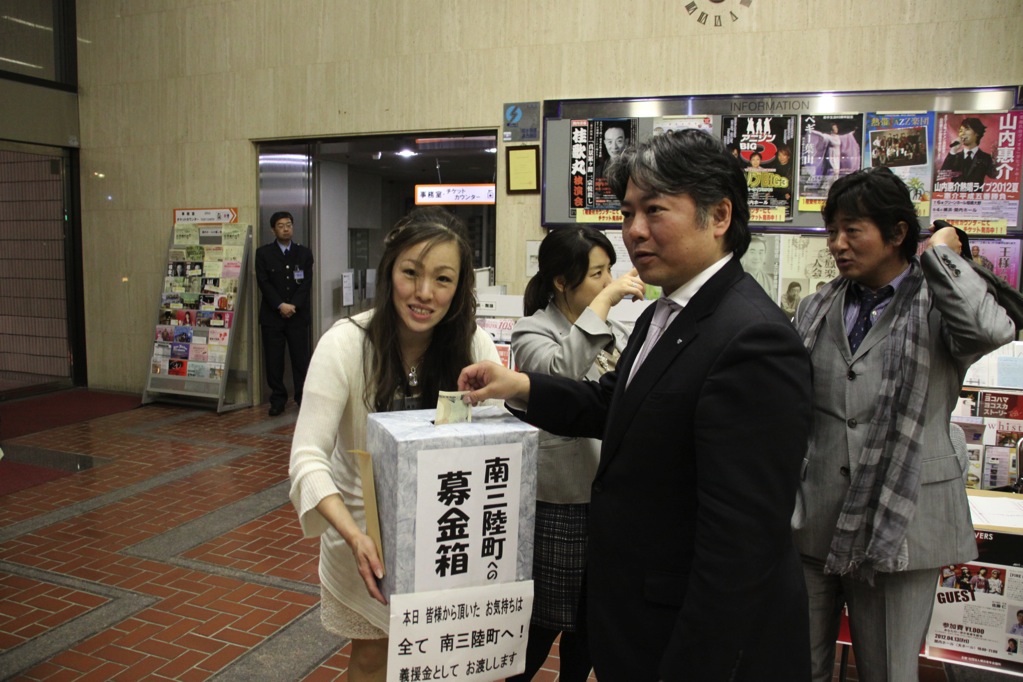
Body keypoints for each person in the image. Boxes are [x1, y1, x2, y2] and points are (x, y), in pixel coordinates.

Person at [459, 129, 814, 681]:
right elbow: (616, 406)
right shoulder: (663, 313)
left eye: (655, 210)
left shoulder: (753, 338)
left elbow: (740, 545)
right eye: (627, 213)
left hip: (687, 639)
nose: (634, 231)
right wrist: (520, 385)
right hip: (637, 618)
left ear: (719, 216)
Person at [791, 166, 1015, 682]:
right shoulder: (817, 306)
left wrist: (940, 254)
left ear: (897, 233)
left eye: (852, 230)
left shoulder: (940, 305)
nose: (838, 244)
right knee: (797, 665)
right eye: (832, 231)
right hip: (814, 517)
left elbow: (991, 328)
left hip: (902, 522)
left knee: (889, 670)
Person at [288, 207, 499, 682]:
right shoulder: (344, 344)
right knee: (371, 658)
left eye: (442, 279)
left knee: (444, 658)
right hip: (363, 539)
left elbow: (495, 448)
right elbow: (307, 459)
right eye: (411, 273)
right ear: (388, 272)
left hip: (447, 533)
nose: (424, 292)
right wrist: (353, 536)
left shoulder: (475, 346)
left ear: (460, 287)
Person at [507, 226, 640, 682]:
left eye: (609, 272)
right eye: (597, 274)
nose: (609, 283)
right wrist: (605, 303)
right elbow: (559, 378)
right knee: (540, 625)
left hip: (610, 500)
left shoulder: (616, 331)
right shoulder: (532, 330)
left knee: (589, 624)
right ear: (562, 281)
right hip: (559, 503)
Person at [256, 211, 314, 416]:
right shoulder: (263, 253)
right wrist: (280, 305)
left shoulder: (304, 253)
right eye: (281, 226)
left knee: (301, 359)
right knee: (274, 360)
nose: (286, 229)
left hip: (298, 316)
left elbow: (306, 284)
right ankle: (278, 399)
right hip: (272, 317)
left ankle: (302, 397)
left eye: (289, 224)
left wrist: (293, 305)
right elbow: (264, 283)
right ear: (273, 230)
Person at [940, 117, 997, 188]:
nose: (962, 133)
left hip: (975, 194)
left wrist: (996, 160)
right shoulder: (955, 156)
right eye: (961, 131)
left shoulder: (985, 157)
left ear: (977, 133)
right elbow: (943, 175)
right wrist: (953, 151)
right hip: (955, 194)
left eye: (967, 129)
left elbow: (994, 175)